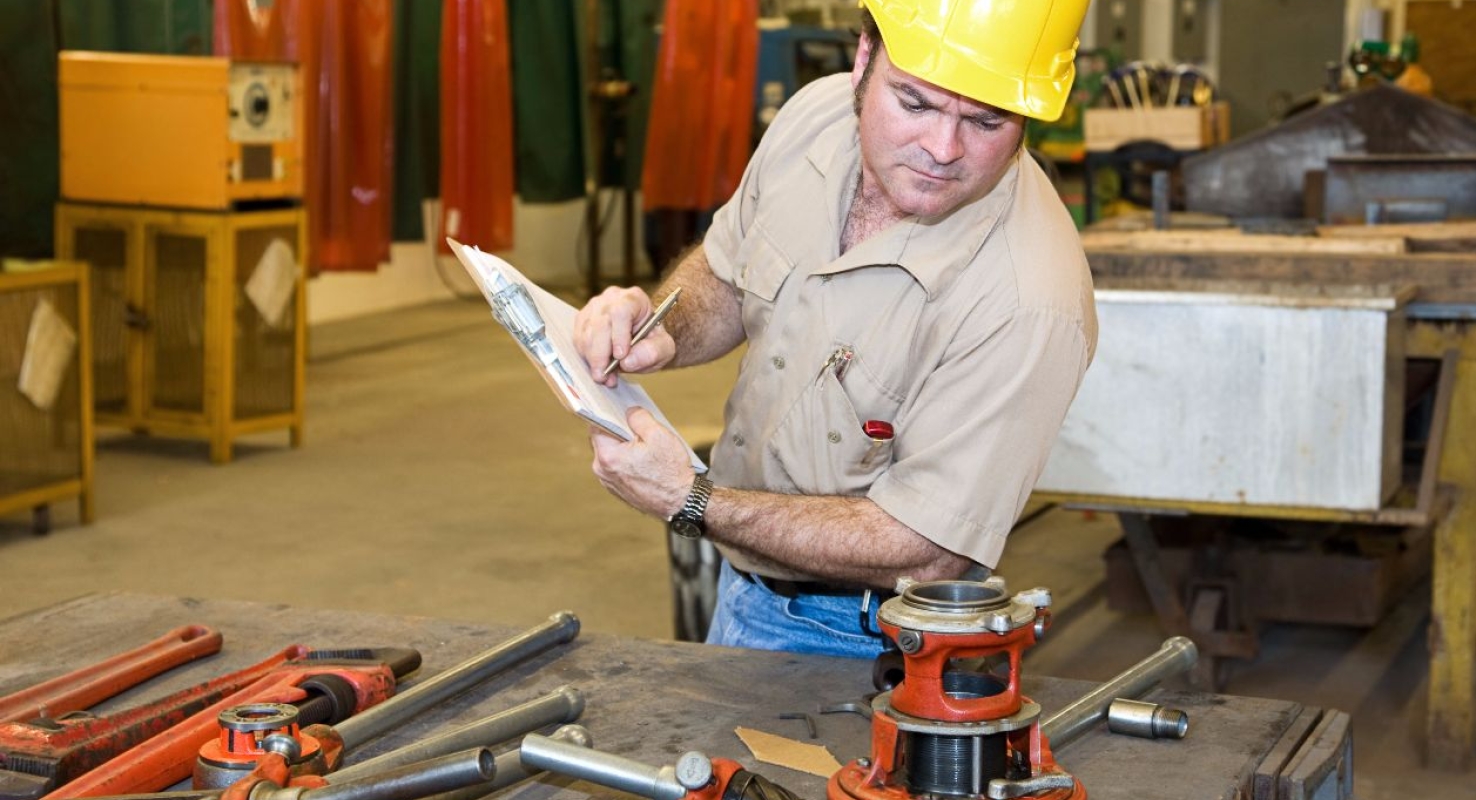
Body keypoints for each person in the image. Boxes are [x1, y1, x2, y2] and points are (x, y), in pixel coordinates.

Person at [573, 0, 1097, 658]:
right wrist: (661, 325)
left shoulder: (1029, 297)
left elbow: (927, 548)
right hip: (743, 589)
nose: (943, 149)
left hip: (871, 643)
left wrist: (693, 498)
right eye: (914, 103)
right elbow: (727, 273)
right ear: (861, 61)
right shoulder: (814, 119)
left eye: (986, 120)